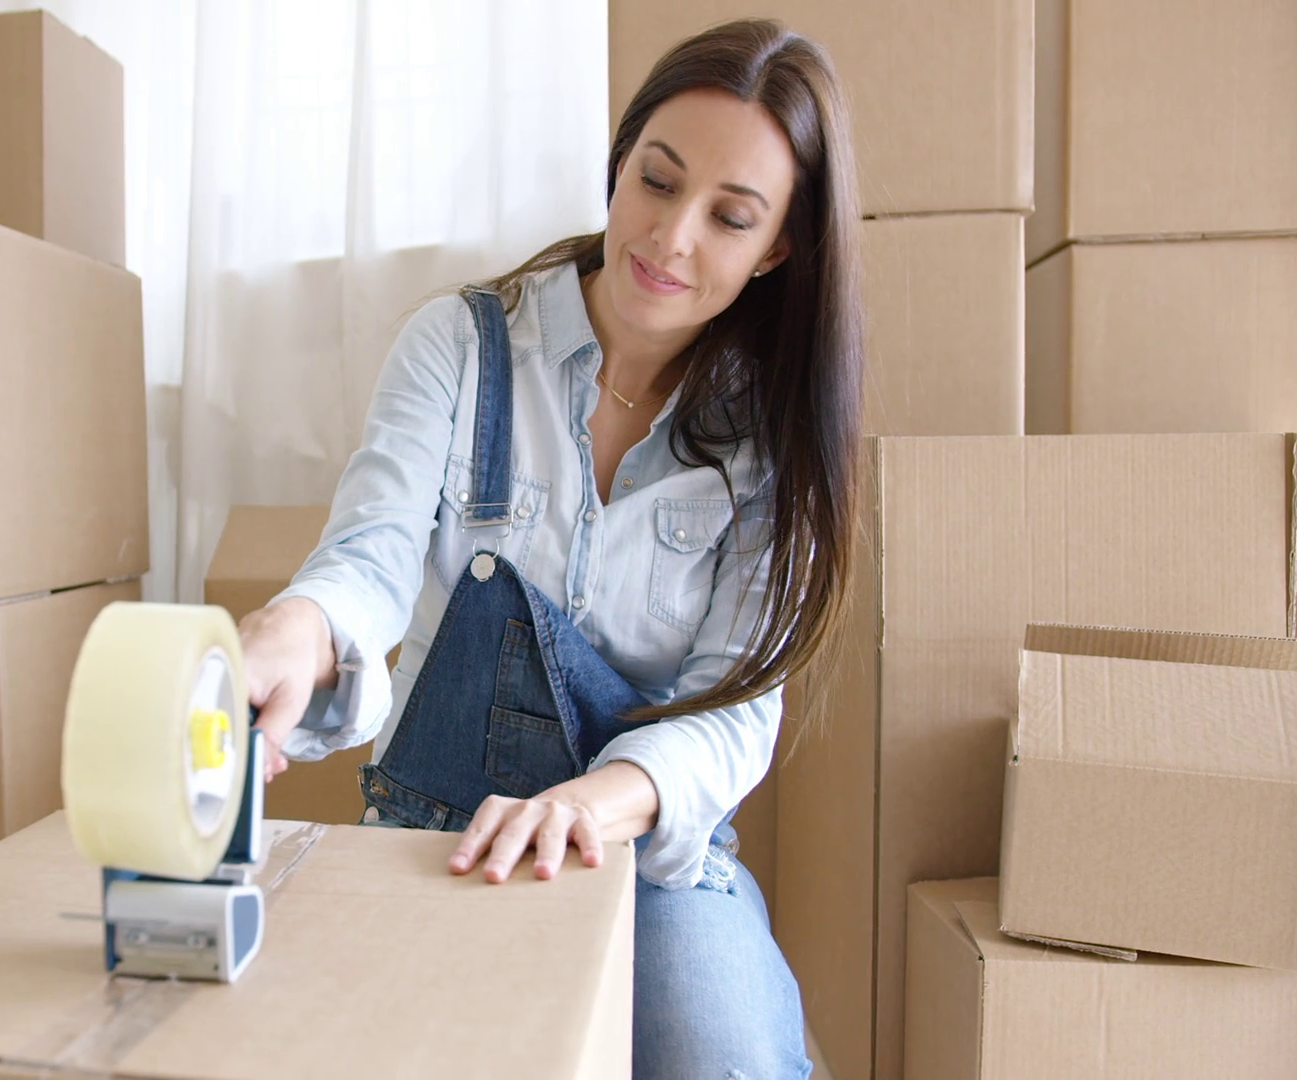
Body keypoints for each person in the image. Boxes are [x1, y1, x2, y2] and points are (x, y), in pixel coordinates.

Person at [238, 18, 861, 1078]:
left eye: (730, 217)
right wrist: (297, 631)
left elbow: (732, 710)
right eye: (656, 183)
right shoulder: (460, 345)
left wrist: (587, 802)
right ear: (619, 166)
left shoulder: (775, 437)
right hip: (438, 834)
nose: (670, 240)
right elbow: (370, 559)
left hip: (649, 852)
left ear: (780, 247)